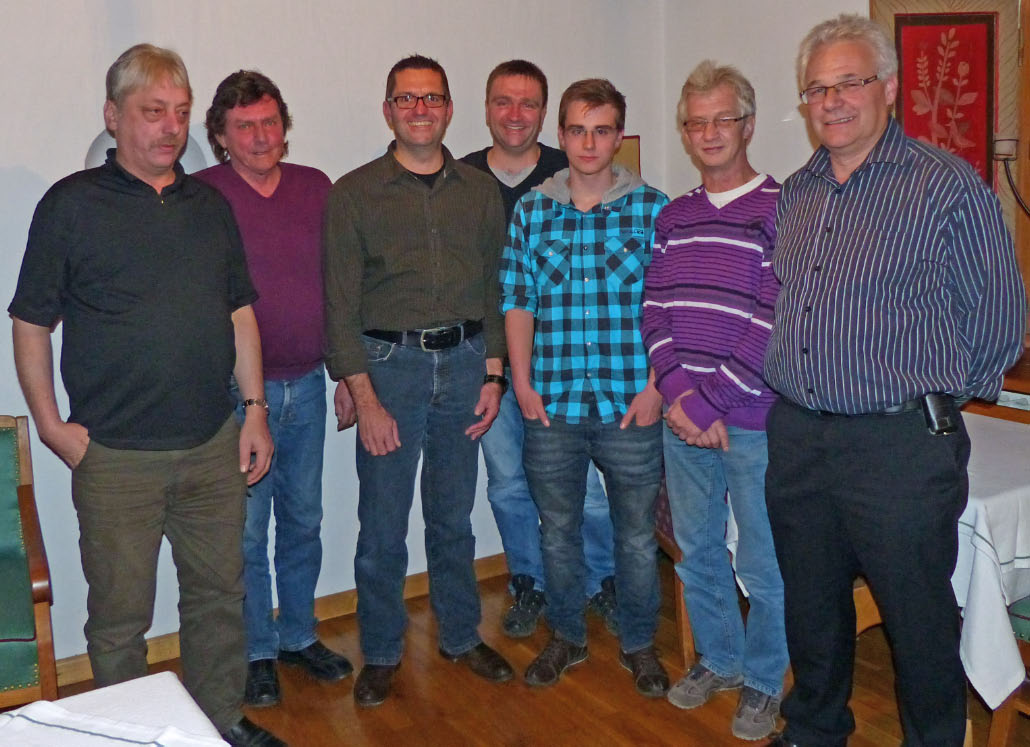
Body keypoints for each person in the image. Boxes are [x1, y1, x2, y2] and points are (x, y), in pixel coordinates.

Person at [9, 44, 284, 747]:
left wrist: (254, 410)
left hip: (212, 444)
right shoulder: (71, 205)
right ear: (114, 115)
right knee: (119, 620)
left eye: (181, 113)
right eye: (153, 111)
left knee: (219, 598)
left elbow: (240, 313)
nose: (171, 127)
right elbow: (31, 322)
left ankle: (218, 720)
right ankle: (128, 734)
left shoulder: (210, 206)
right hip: (115, 458)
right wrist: (51, 426)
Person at [762, 15, 1026, 747]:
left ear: (889, 87)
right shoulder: (799, 190)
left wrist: (923, 398)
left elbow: (1000, 322)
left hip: (899, 445)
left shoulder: (945, 186)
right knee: (812, 606)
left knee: (918, 619)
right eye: (817, 89)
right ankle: (815, 728)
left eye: (849, 83)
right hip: (799, 435)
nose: (832, 101)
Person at [323, 54, 513, 708]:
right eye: (407, 99)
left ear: (449, 109)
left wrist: (494, 374)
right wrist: (366, 397)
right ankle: (380, 650)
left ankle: (460, 635)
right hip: (389, 370)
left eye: (432, 98)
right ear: (388, 111)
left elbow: (494, 288)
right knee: (382, 525)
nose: (420, 109)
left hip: (465, 364)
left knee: (453, 516)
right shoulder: (353, 194)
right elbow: (340, 307)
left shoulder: (479, 192)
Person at [500, 78, 670, 698]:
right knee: (557, 531)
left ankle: (640, 643)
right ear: (562, 134)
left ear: (619, 136)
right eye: (578, 130)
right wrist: (522, 384)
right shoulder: (532, 211)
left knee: (636, 537)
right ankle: (567, 636)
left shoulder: (654, 209)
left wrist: (656, 387)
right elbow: (517, 301)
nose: (589, 143)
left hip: (631, 403)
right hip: (553, 403)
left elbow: (670, 308)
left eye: (602, 131)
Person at [194, 70, 354, 709]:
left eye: (269, 123)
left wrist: (347, 373)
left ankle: (299, 636)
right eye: (244, 127)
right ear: (220, 137)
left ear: (284, 127)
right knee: (245, 532)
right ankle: (257, 649)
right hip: (235, 397)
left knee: (304, 520)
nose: (260, 137)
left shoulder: (317, 188)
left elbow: (341, 287)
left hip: (309, 384)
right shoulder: (202, 196)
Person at [641, 60, 787, 741]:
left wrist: (710, 403)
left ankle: (764, 681)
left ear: (748, 125)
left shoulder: (782, 209)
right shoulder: (674, 216)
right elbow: (655, 311)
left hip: (751, 421)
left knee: (762, 561)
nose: (709, 133)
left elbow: (772, 320)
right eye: (696, 122)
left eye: (722, 119)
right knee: (697, 549)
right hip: (683, 418)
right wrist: (679, 394)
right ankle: (720, 660)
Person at [461, 59, 618, 638]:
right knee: (507, 482)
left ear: (545, 114)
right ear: (486, 108)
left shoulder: (569, 170)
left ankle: (601, 581)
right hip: (488, 364)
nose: (515, 114)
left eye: (528, 103)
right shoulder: (461, 179)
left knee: (587, 489)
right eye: (504, 101)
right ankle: (529, 581)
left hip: (567, 365)